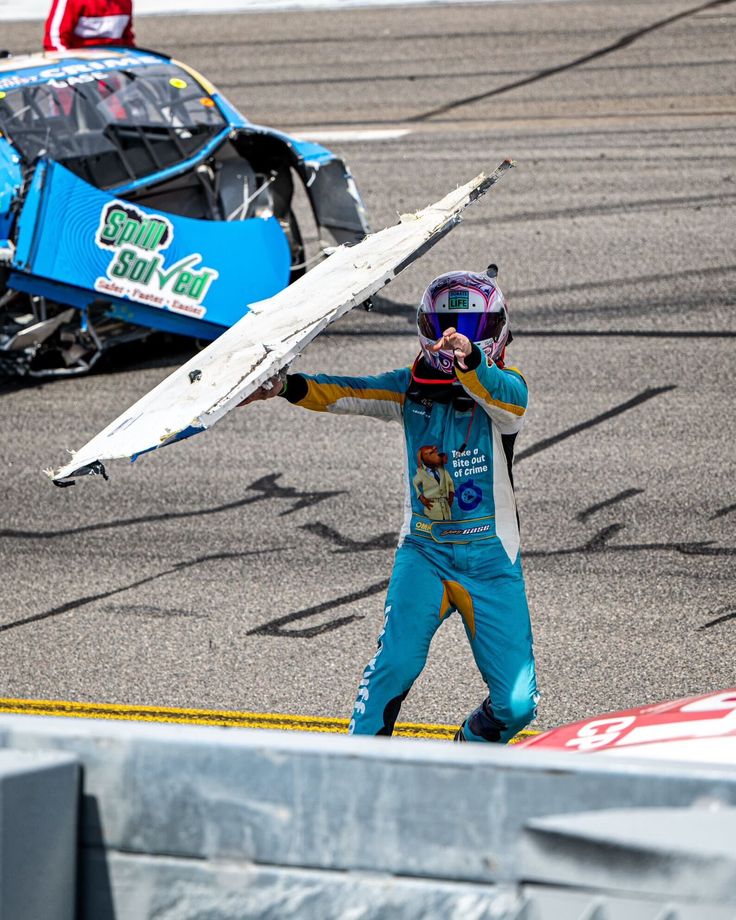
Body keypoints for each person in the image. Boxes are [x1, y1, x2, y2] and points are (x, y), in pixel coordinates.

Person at [244, 266, 538, 743]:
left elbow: (498, 392)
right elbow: (347, 392)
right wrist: (284, 387)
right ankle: (362, 768)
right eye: (446, 330)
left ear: (495, 334)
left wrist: (469, 365)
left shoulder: (508, 395)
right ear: (426, 331)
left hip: (491, 563)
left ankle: (468, 750)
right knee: (393, 668)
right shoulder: (408, 388)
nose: (454, 339)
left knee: (517, 706)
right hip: (424, 554)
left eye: (467, 331)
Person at [44, 0, 135, 52]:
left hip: (114, 71)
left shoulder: (125, 2)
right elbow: (54, 41)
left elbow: (127, 39)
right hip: (78, 70)